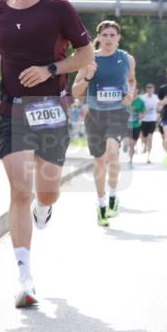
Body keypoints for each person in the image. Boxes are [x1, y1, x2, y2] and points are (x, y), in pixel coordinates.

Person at [0, 0, 93, 307]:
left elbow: (85, 55)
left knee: (46, 191)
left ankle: (45, 209)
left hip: (50, 108)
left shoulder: (59, 9)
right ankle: (24, 277)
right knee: (19, 190)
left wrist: (50, 69)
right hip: (12, 108)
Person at [72, 20, 135, 226]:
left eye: (112, 35)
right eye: (104, 35)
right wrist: (89, 76)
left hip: (117, 112)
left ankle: (113, 195)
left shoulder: (126, 58)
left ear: (118, 38)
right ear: (98, 38)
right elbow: (76, 91)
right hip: (95, 115)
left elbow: (132, 80)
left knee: (113, 151)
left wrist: (130, 94)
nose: (108, 39)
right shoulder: (88, 59)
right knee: (99, 161)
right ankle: (101, 206)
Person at [139, 83, 159, 163]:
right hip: (144, 120)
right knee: (144, 138)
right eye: (148, 88)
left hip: (152, 120)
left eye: (151, 88)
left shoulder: (156, 98)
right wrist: (140, 113)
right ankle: (144, 145)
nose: (150, 89)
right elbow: (139, 108)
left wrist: (159, 115)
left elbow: (159, 107)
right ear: (146, 89)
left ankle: (148, 157)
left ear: (153, 89)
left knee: (150, 137)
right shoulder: (142, 98)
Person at [127, 85, 145, 168]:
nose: (133, 91)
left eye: (135, 89)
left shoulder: (140, 102)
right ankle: (125, 147)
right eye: (132, 89)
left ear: (137, 91)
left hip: (136, 125)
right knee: (129, 143)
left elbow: (143, 113)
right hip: (126, 125)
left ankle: (130, 160)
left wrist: (140, 115)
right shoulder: (126, 100)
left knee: (132, 145)